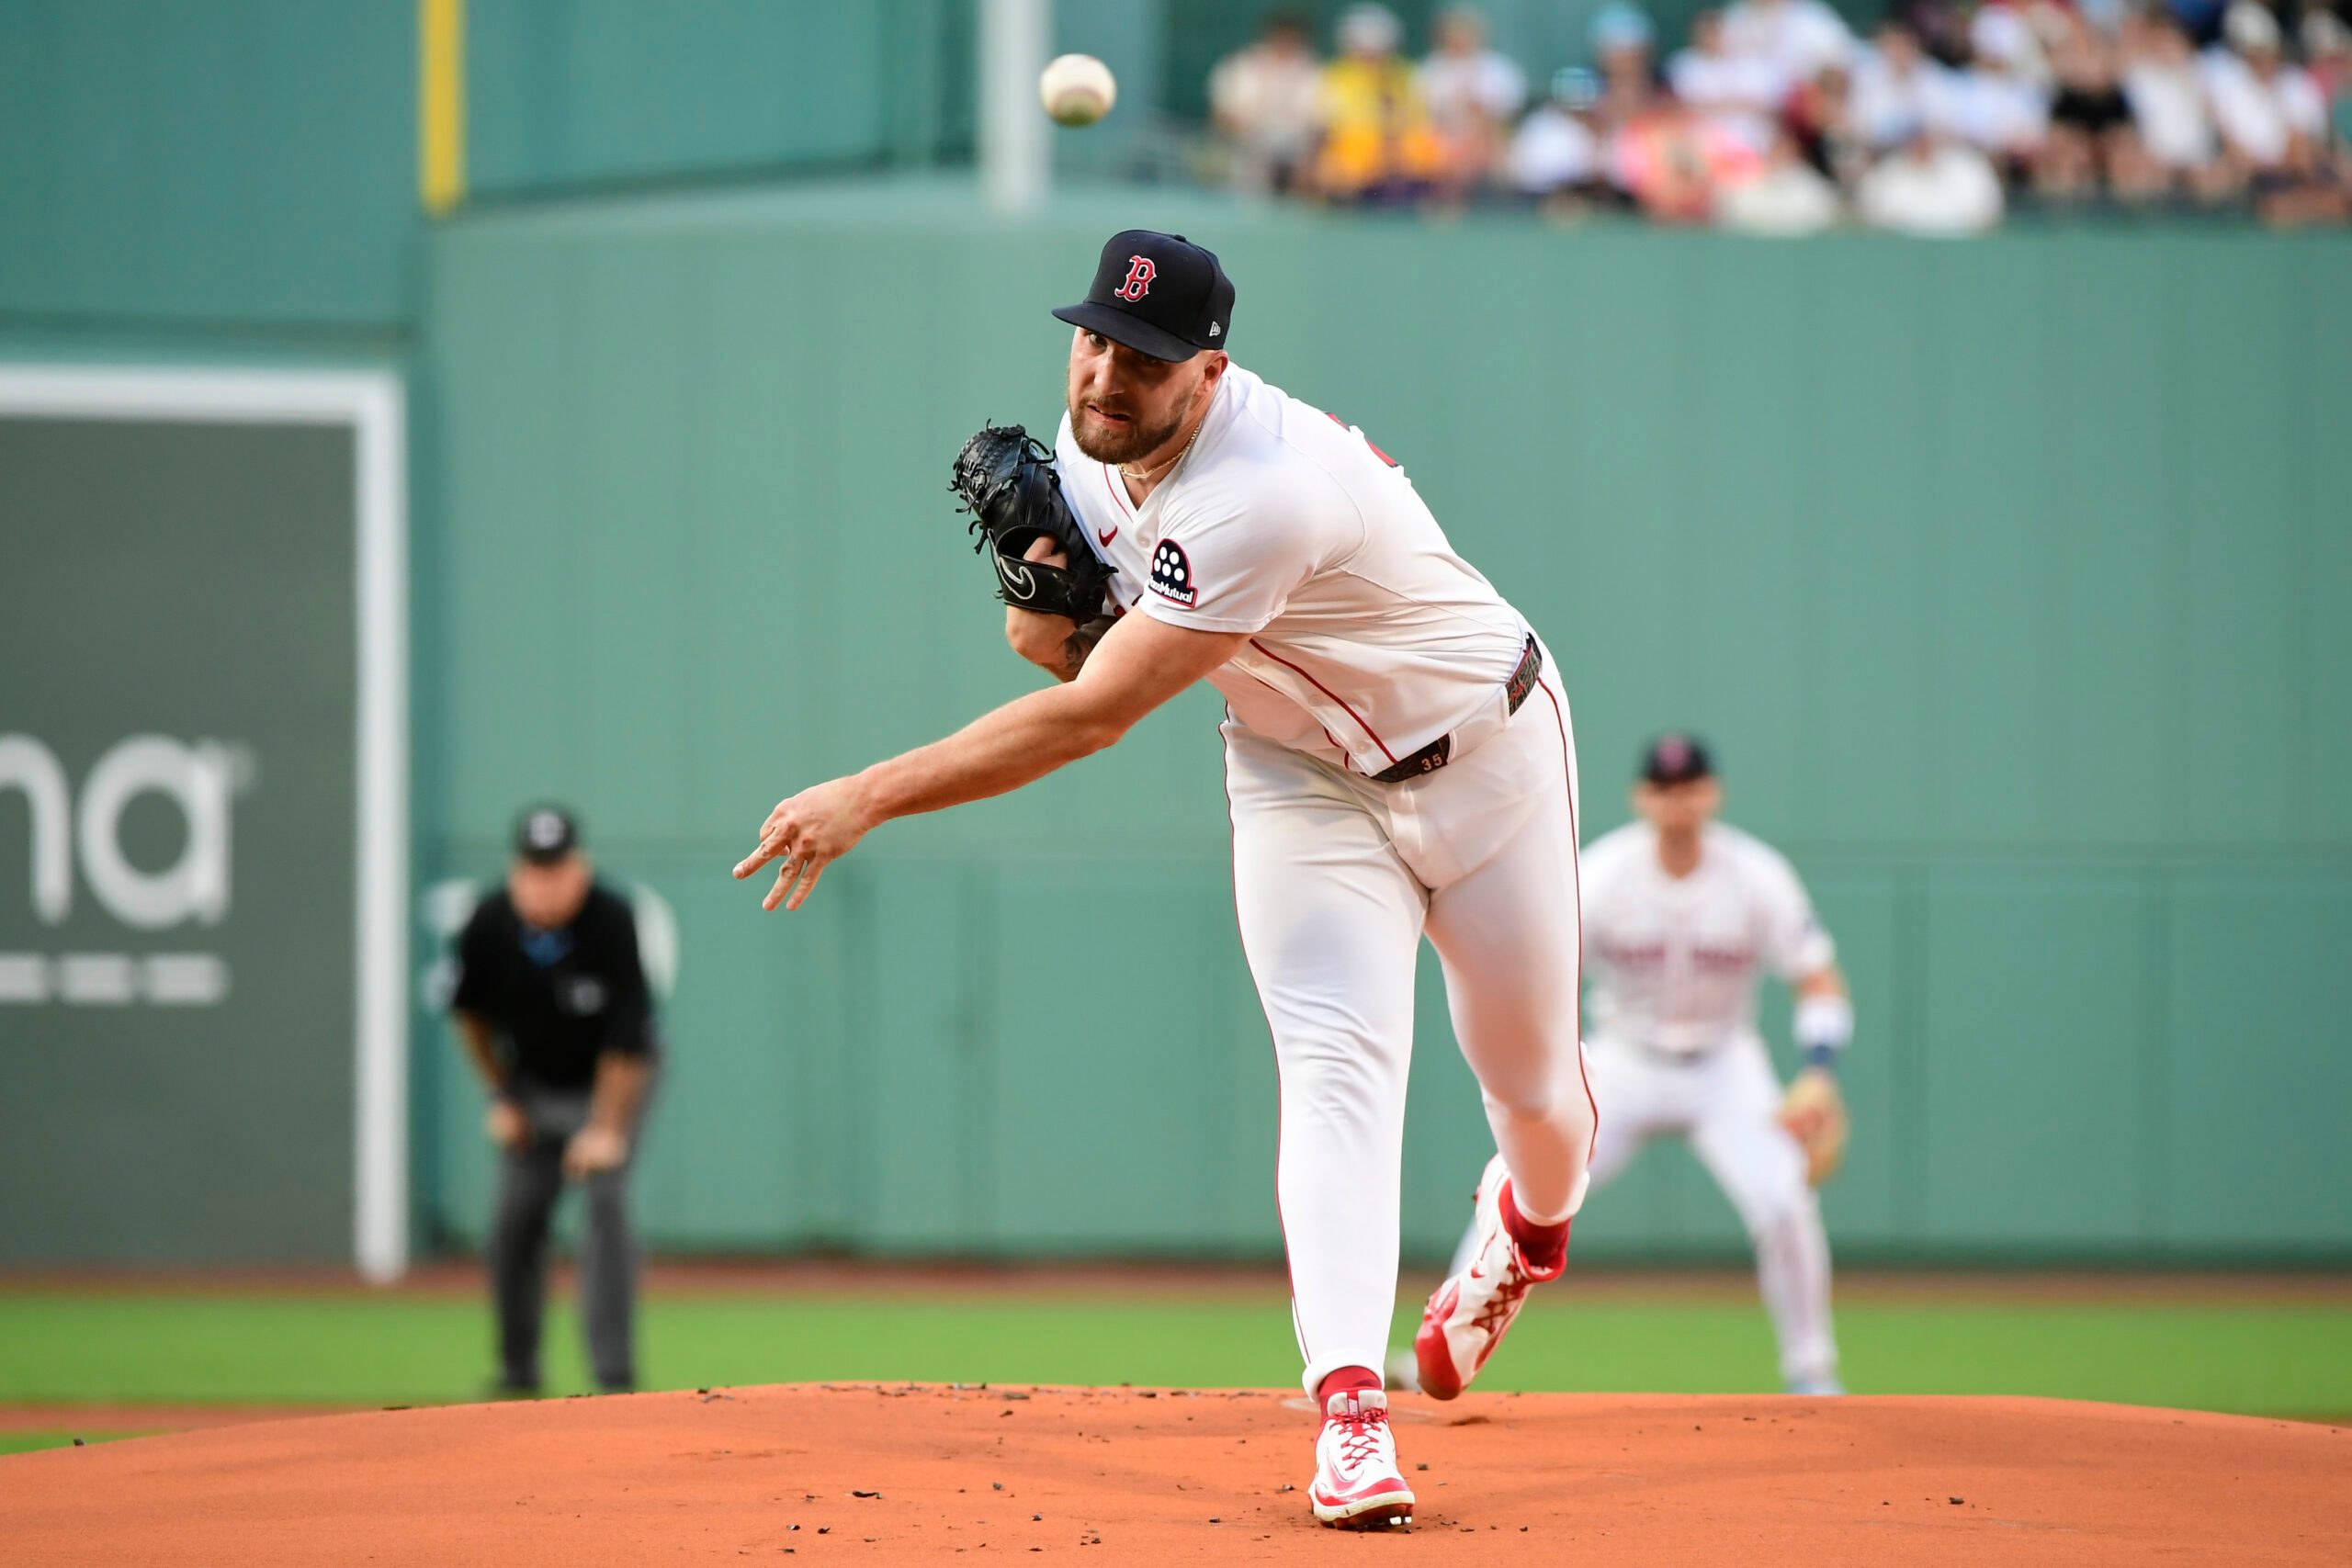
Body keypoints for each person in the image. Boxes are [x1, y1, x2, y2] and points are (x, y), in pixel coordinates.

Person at [734, 231, 1597, 1529]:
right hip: (1302, 780)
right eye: (1091, 338)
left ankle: (1528, 1224)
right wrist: (1041, 569)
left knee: (1532, 1089)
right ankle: (1350, 1412)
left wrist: (867, 792)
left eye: (1140, 356)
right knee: (1336, 1063)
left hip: (1487, 756)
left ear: (1209, 369)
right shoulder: (1092, 448)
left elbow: (1092, 716)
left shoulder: (1269, 487)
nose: (1102, 376)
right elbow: (1051, 647)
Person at [1430, 736, 1855, 1394]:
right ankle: (1450, 1337)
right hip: (1626, 1059)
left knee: (1784, 1201)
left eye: (1689, 787)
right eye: (1663, 787)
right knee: (1527, 1185)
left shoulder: (1756, 875)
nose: (1676, 800)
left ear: (1710, 793)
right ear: (1641, 796)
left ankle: (1813, 1373)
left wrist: (1820, 1071)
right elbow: (1545, 974)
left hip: (1725, 1065)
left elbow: (1819, 979)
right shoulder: (1604, 873)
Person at [451, 806, 659, 1396]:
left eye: (557, 869)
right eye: (534, 870)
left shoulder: (610, 919)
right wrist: (502, 1095)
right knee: (514, 1222)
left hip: (612, 1082)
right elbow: (470, 1018)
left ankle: (614, 1382)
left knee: (605, 1210)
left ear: (580, 869)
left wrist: (606, 1128)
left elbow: (630, 1037)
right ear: (517, 873)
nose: (546, 883)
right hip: (535, 1086)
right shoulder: (490, 921)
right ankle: (518, 1377)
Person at [1208, 13, 1324, 195]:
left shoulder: (1312, 71)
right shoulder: (1243, 66)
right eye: (1283, 38)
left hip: (1295, 151)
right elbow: (1223, 114)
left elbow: (1318, 123)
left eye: (1293, 40)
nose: (1286, 44)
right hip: (1248, 146)